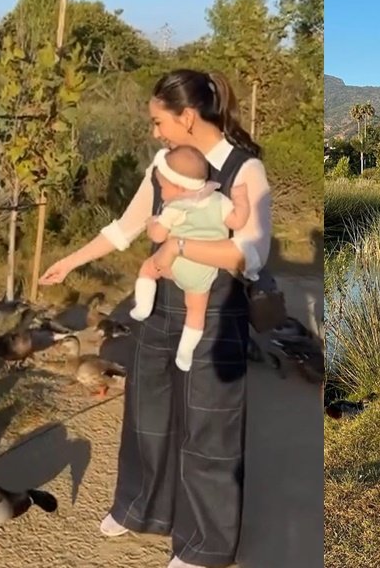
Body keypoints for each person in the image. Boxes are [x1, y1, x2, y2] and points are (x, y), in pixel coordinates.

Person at [38, 68, 271, 568]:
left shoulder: (245, 171)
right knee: (147, 415)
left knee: (209, 431)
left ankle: (206, 547)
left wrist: (182, 244)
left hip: (217, 313)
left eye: (158, 121)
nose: (154, 132)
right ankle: (142, 510)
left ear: (187, 117)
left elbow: (246, 257)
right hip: (163, 309)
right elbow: (126, 227)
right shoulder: (164, 166)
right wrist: (70, 261)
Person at [130, 145, 251, 371]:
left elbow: (158, 235)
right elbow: (237, 222)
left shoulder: (175, 206)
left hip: (176, 263)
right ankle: (185, 353)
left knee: (147, 269)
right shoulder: (219, 201)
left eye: (163, 187)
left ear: (177, 186)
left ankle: (143, 307)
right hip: (205, 269)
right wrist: (242, 201)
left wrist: (151, 223)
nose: (162, 192)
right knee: (196, 313)